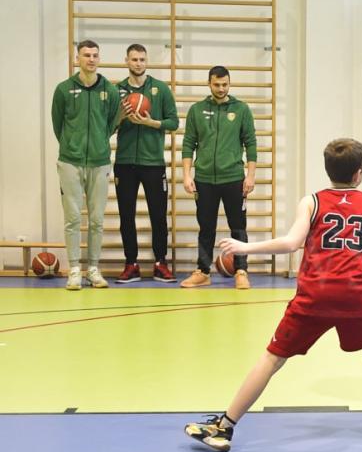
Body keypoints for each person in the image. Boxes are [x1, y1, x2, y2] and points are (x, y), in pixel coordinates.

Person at [184, 139, 362, 452]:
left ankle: (225, 427)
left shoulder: (312, 201)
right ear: (359, 173)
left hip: (314, 294)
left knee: (273, 357)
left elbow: (291, 243)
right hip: (354, 293)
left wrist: (247, 247)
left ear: (327, 170)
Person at [51, 40, 120, 290]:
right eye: (86, 55)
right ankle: (74, 270)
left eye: (95, 55)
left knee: (97, 220)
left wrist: (99, 144)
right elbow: (58, 125)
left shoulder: (109, 91)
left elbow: (112, 123)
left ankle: (93, 269)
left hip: (100, 162)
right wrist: (72, 146)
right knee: (72, 218)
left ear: (99, 59)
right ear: (77, 58)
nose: (91, 59)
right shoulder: (63, 90)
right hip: (70, 161)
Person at [180, 65, 257, 289]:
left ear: (229, 84)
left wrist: (250, 176)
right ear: (209, 84)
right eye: (217, 84)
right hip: (204, 179)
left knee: (238, 227)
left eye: (225, 84)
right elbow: (188, 144)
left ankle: (241, 270)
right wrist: (187, 175)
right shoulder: (197, 110)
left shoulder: (241, 109)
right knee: (206, 227)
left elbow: (250, 144)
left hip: (234, 178)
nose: (221, 88)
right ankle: (203, 271)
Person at [114, 43, 179, 283]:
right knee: (126, 215)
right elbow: (106, 127)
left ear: (146, 61)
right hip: (124, 162)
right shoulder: (117, 91)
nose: (138, 63)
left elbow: (174, 123)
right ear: (126, 61)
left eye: (142, 59)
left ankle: (160, 262)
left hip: (153, 163)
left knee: (158, 215)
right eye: (134, 59)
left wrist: (151, 123)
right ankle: (131, 264)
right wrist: (121, 116)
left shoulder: (160, 89)